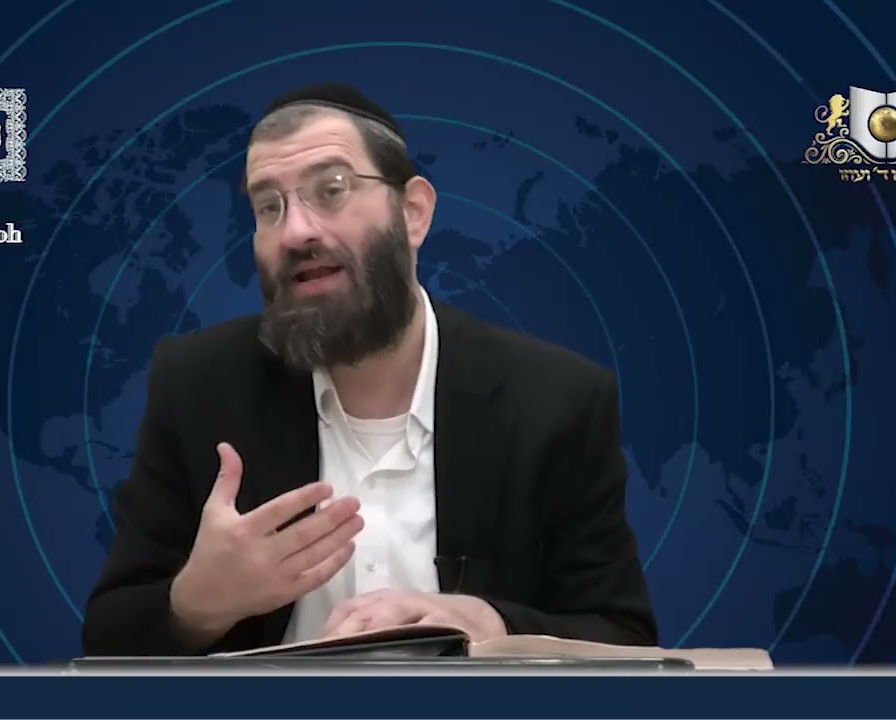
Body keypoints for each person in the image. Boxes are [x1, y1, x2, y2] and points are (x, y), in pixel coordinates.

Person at [80, 82, 658, 657]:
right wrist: (199, 602)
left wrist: (492, 623)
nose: (296, 231)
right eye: (269, 206)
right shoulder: (197, 385)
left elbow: (625, 639)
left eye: (331, 190)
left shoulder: (557, 401)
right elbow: (107, 640)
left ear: (413, 212)